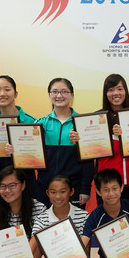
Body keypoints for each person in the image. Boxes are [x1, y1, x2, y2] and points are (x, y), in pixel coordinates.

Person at [32, 78, 92, 206]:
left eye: (64, 91)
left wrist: (85, 189)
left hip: (73, 189)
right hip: (45, 189)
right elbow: (30, 156)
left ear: (72, 95)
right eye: (55, 92)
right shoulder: (39, 124)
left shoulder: (82, 124)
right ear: (49, 95)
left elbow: (88, 162)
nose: (59, 95)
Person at [85, 74, 129, 201]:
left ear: (126, 91)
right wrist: (79, 140)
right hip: (106, 185)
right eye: (110, 90)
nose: (115, 93)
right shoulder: (97, 118)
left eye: (120, 89)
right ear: (105, 93)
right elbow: (88, 150)